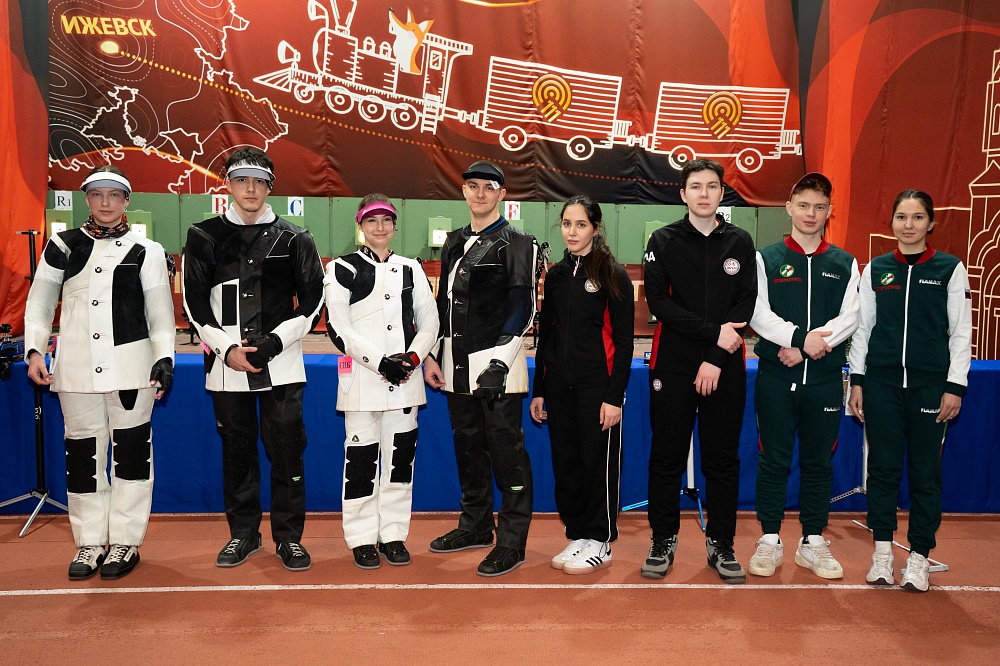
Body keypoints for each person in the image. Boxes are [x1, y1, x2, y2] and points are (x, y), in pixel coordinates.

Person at [24, 165, 175, 581]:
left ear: (127, 201)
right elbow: (40, 302)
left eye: (114, 195)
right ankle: (90, 542)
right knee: (82, 457)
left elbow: (160, 314)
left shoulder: (147, 250)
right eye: (96, 194)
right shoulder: (62, 244)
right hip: (75, 371)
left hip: (133, 371)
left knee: (131, 455)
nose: (105, 202)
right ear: (86, 199)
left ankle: (125, 540)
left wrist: (164, 359)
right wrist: (34, 350)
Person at [182, 147, 325, 572]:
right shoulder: (203, 235)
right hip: (225, 368)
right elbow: (194, 302)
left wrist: (274, 343)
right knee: (237, 452)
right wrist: (226, 349)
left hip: (282, 365)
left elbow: (314, 300)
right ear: (227, 184)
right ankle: (243, 534)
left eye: (259, 182)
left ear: (270, 187)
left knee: (287, 453)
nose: (250, 189)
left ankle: (289, 538)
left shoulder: (296, 237)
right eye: (242, 180)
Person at [848, 189, 971, 592]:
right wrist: (858, 380)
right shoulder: (877, 269)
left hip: (929, 387)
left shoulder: (950, 268)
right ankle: (882, 553)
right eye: (902, 217)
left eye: (918, 217)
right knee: (882, 470)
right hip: (881, 384)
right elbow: (863, 329)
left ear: (930, 223)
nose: (909, 225)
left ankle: (918, 557)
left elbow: (961, 333)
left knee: (924, 473)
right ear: (892, 223)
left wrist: (954, 386)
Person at [641, 158, 756, 583]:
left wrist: (715, 356)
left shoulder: (740, 241)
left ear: (722, 193)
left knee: (722, 459)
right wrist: (712, 334)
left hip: (725, 365)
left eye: (711, 186)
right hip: (673, 365)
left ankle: (721, 543)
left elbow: (745, 305)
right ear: (683, 194)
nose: (704, 193)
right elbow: (659, 303)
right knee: (666, 457)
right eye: (695, 186)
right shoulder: (663, 239)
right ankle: (662, 539)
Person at [423, 160, 539, 577]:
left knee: (506, 452)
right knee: (468, 446)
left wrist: (498, 362)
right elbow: (442, 303)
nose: (480, 194)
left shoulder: (519, 242)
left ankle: (512, 541)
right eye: (472, 186)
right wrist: (432, 353)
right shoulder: (454, 241)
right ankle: (475, 525)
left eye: (488, 188)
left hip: (497, 364)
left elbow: (524, 308)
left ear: (502, 195)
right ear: (464, 191)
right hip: (454, 362)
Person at [747, 173, 860, 579]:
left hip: (825, 380)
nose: (811, 214)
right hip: (776, 378)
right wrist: (798, 339)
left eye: (819, 207)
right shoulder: (765, 258)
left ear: (829, 212)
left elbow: (851, 317)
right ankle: (770, 539)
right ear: (789, 208)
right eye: (804, 205)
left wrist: (809, 346)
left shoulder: (845, 263)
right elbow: (757, 313)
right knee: (773, 459)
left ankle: (813, 540)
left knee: (818, 462)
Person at [324, 194, 438, 569]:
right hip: (361, 382)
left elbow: (430, 321)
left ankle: (393, 535)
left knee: (399, 463)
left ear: (394, 226)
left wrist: (412, 358)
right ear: (360, 226)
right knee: (360, 463)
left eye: (386, 220)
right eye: (371, 220)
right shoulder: (341, 268)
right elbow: (338, 327)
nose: (379, 227)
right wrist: (380, 363)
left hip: (405, 382)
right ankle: (361, 538)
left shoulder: (412, 268)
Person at [530, 195, 634, 575]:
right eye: (566, 224)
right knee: (568, 464)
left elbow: (624, 342)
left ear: (595, 228)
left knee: (596, 465)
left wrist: (614, 397)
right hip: (559, 387)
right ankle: (578, 534)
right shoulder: (556, 276)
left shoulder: (613, 275)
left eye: (580, 225)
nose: (572, 232)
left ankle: (600, 539)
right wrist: (539, 389)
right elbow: (547, 336)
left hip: (597, 390)